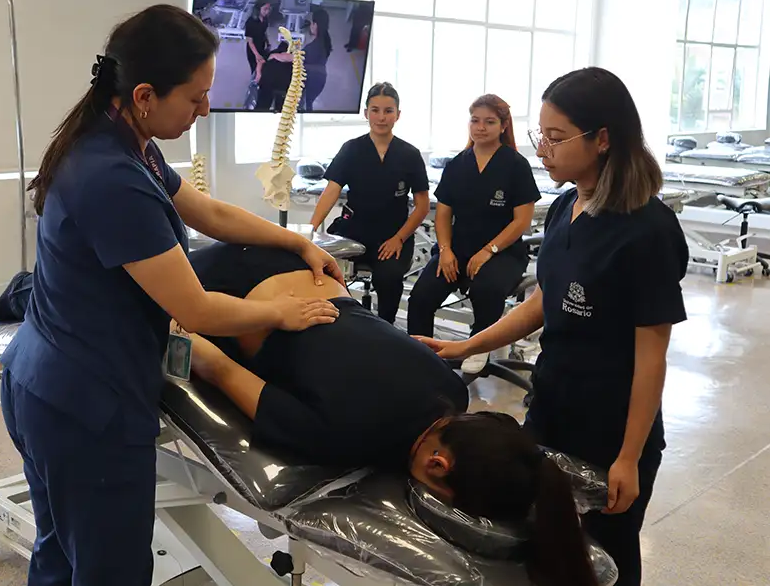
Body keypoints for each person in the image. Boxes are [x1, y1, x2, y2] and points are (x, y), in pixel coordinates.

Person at [0, 4, 344, 586]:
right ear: (144, 95)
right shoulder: (111, 177)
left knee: (61, 555)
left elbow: (208, 211)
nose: (205, 109)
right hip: (85, 408)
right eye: (195, 97)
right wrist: (279, 313)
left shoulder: (128, 142)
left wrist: (296, 241)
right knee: (108, 572)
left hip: (47, 385)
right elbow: (195, 308)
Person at [183, 241, 600, 586]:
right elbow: (217, 367)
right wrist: (168, 322)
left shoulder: (453, 389)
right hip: (220, 285)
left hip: (303, 267)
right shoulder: (336, 438)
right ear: (438, 464)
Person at [416, 67, 688, 586]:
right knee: (548, 541)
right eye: (541, 134)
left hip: (611, 429)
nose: (543, 149)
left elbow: (652, 357)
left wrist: (628, 458)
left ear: (602, 139)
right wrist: (467, 347)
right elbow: (544, 301)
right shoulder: (566, 207)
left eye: (556, 138)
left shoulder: (647, 230)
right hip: (551, 408)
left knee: (609, 555)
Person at [407, 94, 541, 373]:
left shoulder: (515, 165)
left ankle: (476, 349)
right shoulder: (458, 164)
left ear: (503, 126)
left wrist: (488, 251)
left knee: (486, 290)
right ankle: (420, 357)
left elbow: (521, 222)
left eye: (489, 122)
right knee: (421, 297)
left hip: (503, 253)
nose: (480, 127)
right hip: (456, 250)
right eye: (475, 120)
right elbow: (443, 214)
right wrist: (445, 251)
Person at [309, 82, 431, 324]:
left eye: (388, 111)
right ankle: (341, 325)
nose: (381, 117)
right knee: (322, 269)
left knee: (389, 277)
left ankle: (385, 329)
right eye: (375, 110)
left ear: (398, 114)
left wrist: (399, 239)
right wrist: (309, 231)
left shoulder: (410, 154)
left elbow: (422, 205)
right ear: (366, 113)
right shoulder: (351, 149)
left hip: (393, 235)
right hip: (354, 231)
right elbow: (331, 192)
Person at [244, 0, 274, 77]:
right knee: (255, 69)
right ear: (258, 8)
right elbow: (250, 42)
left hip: (262, 45)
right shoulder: (251, 22)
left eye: (268, 9)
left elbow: (264, 32)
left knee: (262, 67)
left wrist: (268, 43)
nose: (267, 11)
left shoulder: (265, 19)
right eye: (265, 9)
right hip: (253, 50)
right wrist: (257, 55)